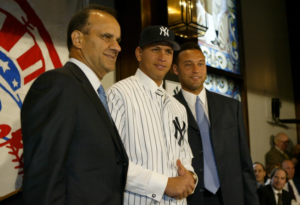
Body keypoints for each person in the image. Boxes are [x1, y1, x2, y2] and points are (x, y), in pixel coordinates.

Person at [21, 5, 128, 205]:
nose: (117, 47)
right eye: (107, 37)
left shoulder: (92, 92)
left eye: (118, 40)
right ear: (78, 39)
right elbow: (44, 180)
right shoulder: (58, 85)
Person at [107, 25, 196, 204]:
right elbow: (111, 163)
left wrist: (190, 177)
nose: (162, 58)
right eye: (155, 50)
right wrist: (164, 184)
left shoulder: (177, 107)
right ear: (139, 53)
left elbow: (185, 159)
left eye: (168, 52)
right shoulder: (119, 94)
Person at [172, 42, 259, 205]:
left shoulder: (231, 107)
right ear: (176, 69)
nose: (196, 70)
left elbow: (245, 164)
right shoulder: (168, 108)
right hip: (189, 199)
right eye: (188, 65)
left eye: (200, 64)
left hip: (230, 198)